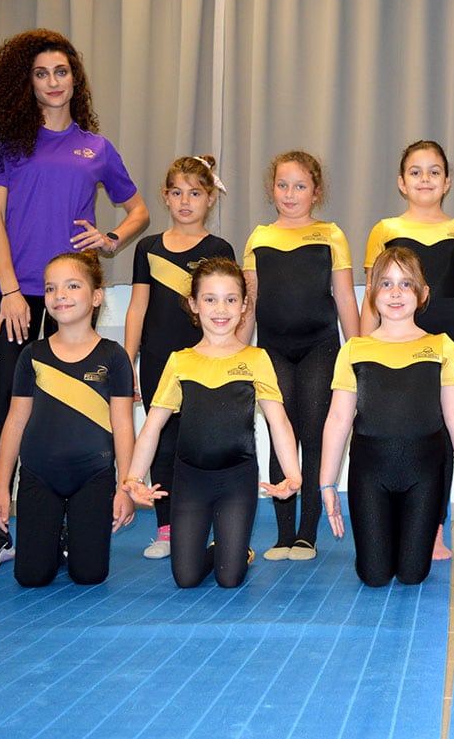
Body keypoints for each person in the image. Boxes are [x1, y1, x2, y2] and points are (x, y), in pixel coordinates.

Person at [0, 28, 150, 571]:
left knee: (71, 408)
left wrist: (110, 239)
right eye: (41, 74)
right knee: (7, 407)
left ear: (74, 79)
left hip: (71, 297)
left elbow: (138, 211)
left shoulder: (96, 148)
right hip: (18, 296)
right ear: (27, 83)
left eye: (61, 72)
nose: (52, 82)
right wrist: (11, 292)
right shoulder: (6, 146)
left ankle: (65, 523)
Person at [125, 257, 302, 588]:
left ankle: (236, 551)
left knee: (229, 577)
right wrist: (134, 476)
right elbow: (152, 426)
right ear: (194, 304)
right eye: (210, 299)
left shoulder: (255, 358)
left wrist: (292, 474)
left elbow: (278, 421)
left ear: (244, 305)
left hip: (237, 479)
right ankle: (218, 549)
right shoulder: (180, 361)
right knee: (186, 577)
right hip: (190, 479)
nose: (221, 309)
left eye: (231, 299)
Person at [314, 247, 454, 587]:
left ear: (423, 294)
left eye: (406, 284)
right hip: (370, 474)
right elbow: (338, 419)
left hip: (424, 474)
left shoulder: (442, 347)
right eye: (386, 284)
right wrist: (326, 482)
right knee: (374, 576)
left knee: (412, 574)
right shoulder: (355, 350)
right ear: (372, 293)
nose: (395, 293)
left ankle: (407, 530)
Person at [361, 140, 454, 560]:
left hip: (450, 339)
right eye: (415, 172)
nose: (425, 179)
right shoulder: (384, 230)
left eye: (434, 171)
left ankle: (433, 526)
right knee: (396, 426)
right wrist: (363, 349)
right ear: (401, 182)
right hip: (394, 340)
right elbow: (372, 295)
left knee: (443, 431)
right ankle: (393, 519)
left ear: (447, 181)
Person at [0, 252, 138, 586]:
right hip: (39, 475)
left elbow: (123, 425)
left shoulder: (114, 357)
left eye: (72, 286)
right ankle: (53, 539)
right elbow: (14, 423)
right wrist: (0, 488)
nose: (60, 295)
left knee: (90, 574)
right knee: (31, 577)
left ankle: (73, 536)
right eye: (51, 288)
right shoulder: (32, 355)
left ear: (96, 296)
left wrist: (126, 487)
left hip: (93, 477)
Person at [237, 151, 359, 562]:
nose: (290, 194)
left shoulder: (330, 234)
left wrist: (359, 354)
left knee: (313, 434)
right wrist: (237, 352)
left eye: (300, 186)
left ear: (316, 192)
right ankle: (283, 534)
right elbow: (250, 302)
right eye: (283, 185)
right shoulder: (259, 238)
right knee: (280, 433)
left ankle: (307, 533)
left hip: (320, 347)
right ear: (271, 189)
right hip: (272, 350)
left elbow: (344, 297)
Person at [124, 155, 235, 559]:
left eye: (195, 193)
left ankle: (210, 525)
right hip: (158, 360)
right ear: (165, 197)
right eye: (177, 193)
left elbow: (227, 308)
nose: (185, 201)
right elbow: (138, 308)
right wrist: (128, 361)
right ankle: (167, 528)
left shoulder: (218, 249)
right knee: (164, 443)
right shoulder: (148, 248)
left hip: (205, 362)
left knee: (205, 443)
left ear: (210, 199)